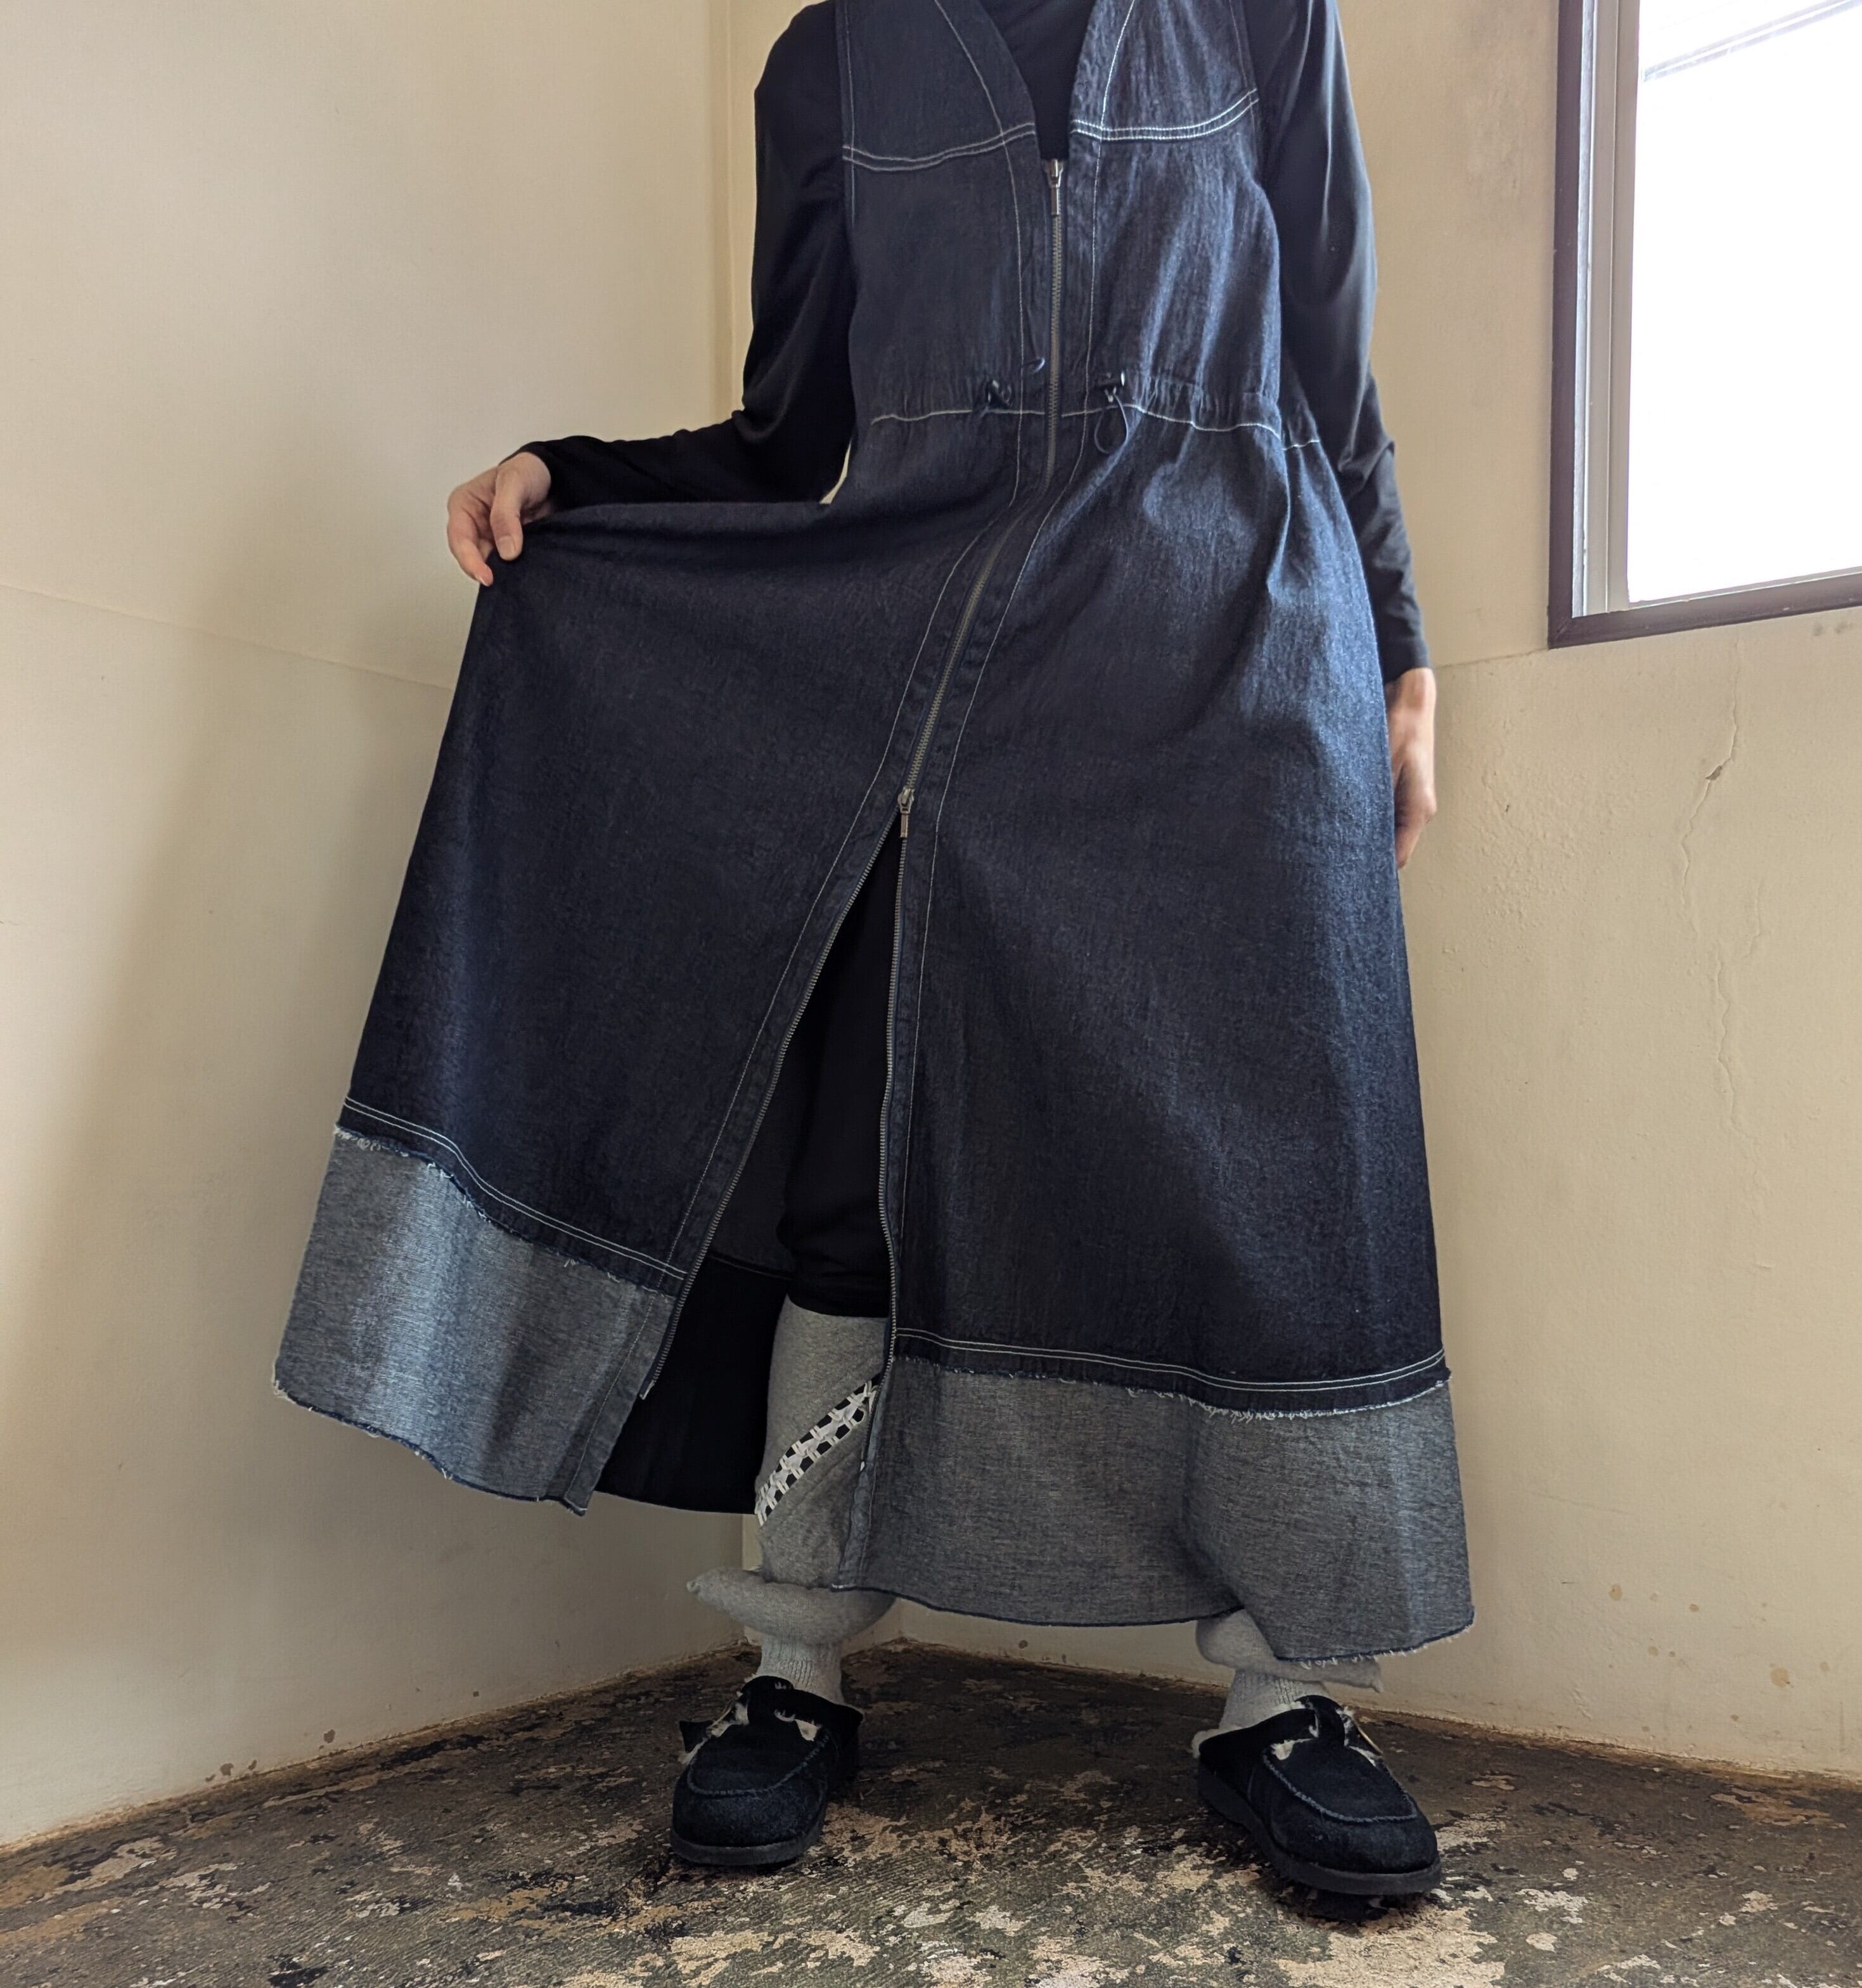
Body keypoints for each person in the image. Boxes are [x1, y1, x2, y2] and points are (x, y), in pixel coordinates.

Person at [281, 0, 1472, 1899]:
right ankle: (794, 1668)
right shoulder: (832, 59)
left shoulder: (1259, 15)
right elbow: (790, 436)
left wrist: (1399, 650)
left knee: (1273, 1184)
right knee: (867, 1158)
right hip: (953, 667)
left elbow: (1330, 362)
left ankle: (1287, 1697)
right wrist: (571, 477)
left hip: (1235, 646)